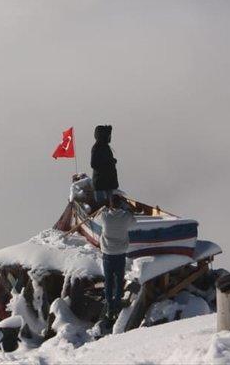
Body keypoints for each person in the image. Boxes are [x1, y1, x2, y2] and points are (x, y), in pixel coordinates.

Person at [98, 193, 136, 322]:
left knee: (108, 281)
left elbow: (98, 217)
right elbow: (133, 220)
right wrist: (128, 210)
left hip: (107, 254)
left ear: (110, 204)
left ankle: (109, 306)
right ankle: (117, 303)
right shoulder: (126, 217)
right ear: (121, 204)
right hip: (120, 253)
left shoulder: (104, 216)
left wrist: (104, 209)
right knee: (119, 279)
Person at [90, 124, 118, 207]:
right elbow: (94, 164)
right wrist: (109, 163)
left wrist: (112, 161)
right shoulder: (96, 148)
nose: (110, 137)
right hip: (100, 184)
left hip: (109, 183)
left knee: (111, 207)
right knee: (102, 207)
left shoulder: (106, 147)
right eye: (109, 135)